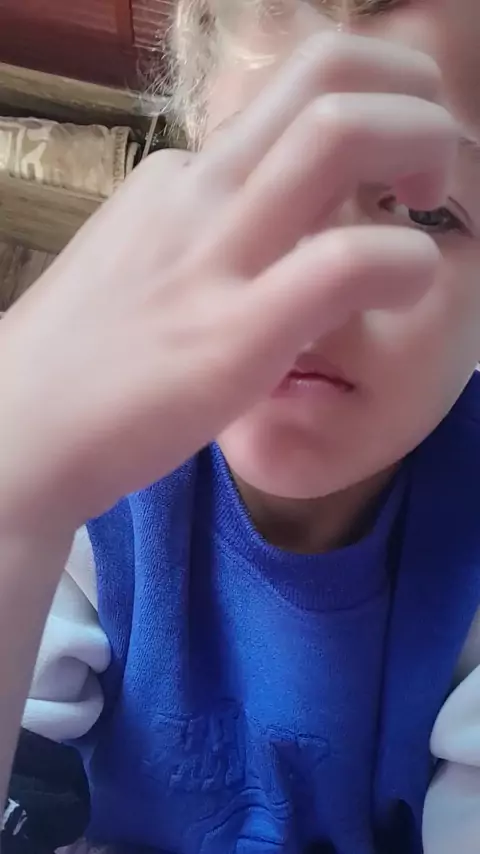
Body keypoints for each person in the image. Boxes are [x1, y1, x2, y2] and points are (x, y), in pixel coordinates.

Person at [1, 0, 480, 851]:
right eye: (260, 179)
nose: (318, 280)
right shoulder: (80, 474)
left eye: (425, 212)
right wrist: (16, 506)